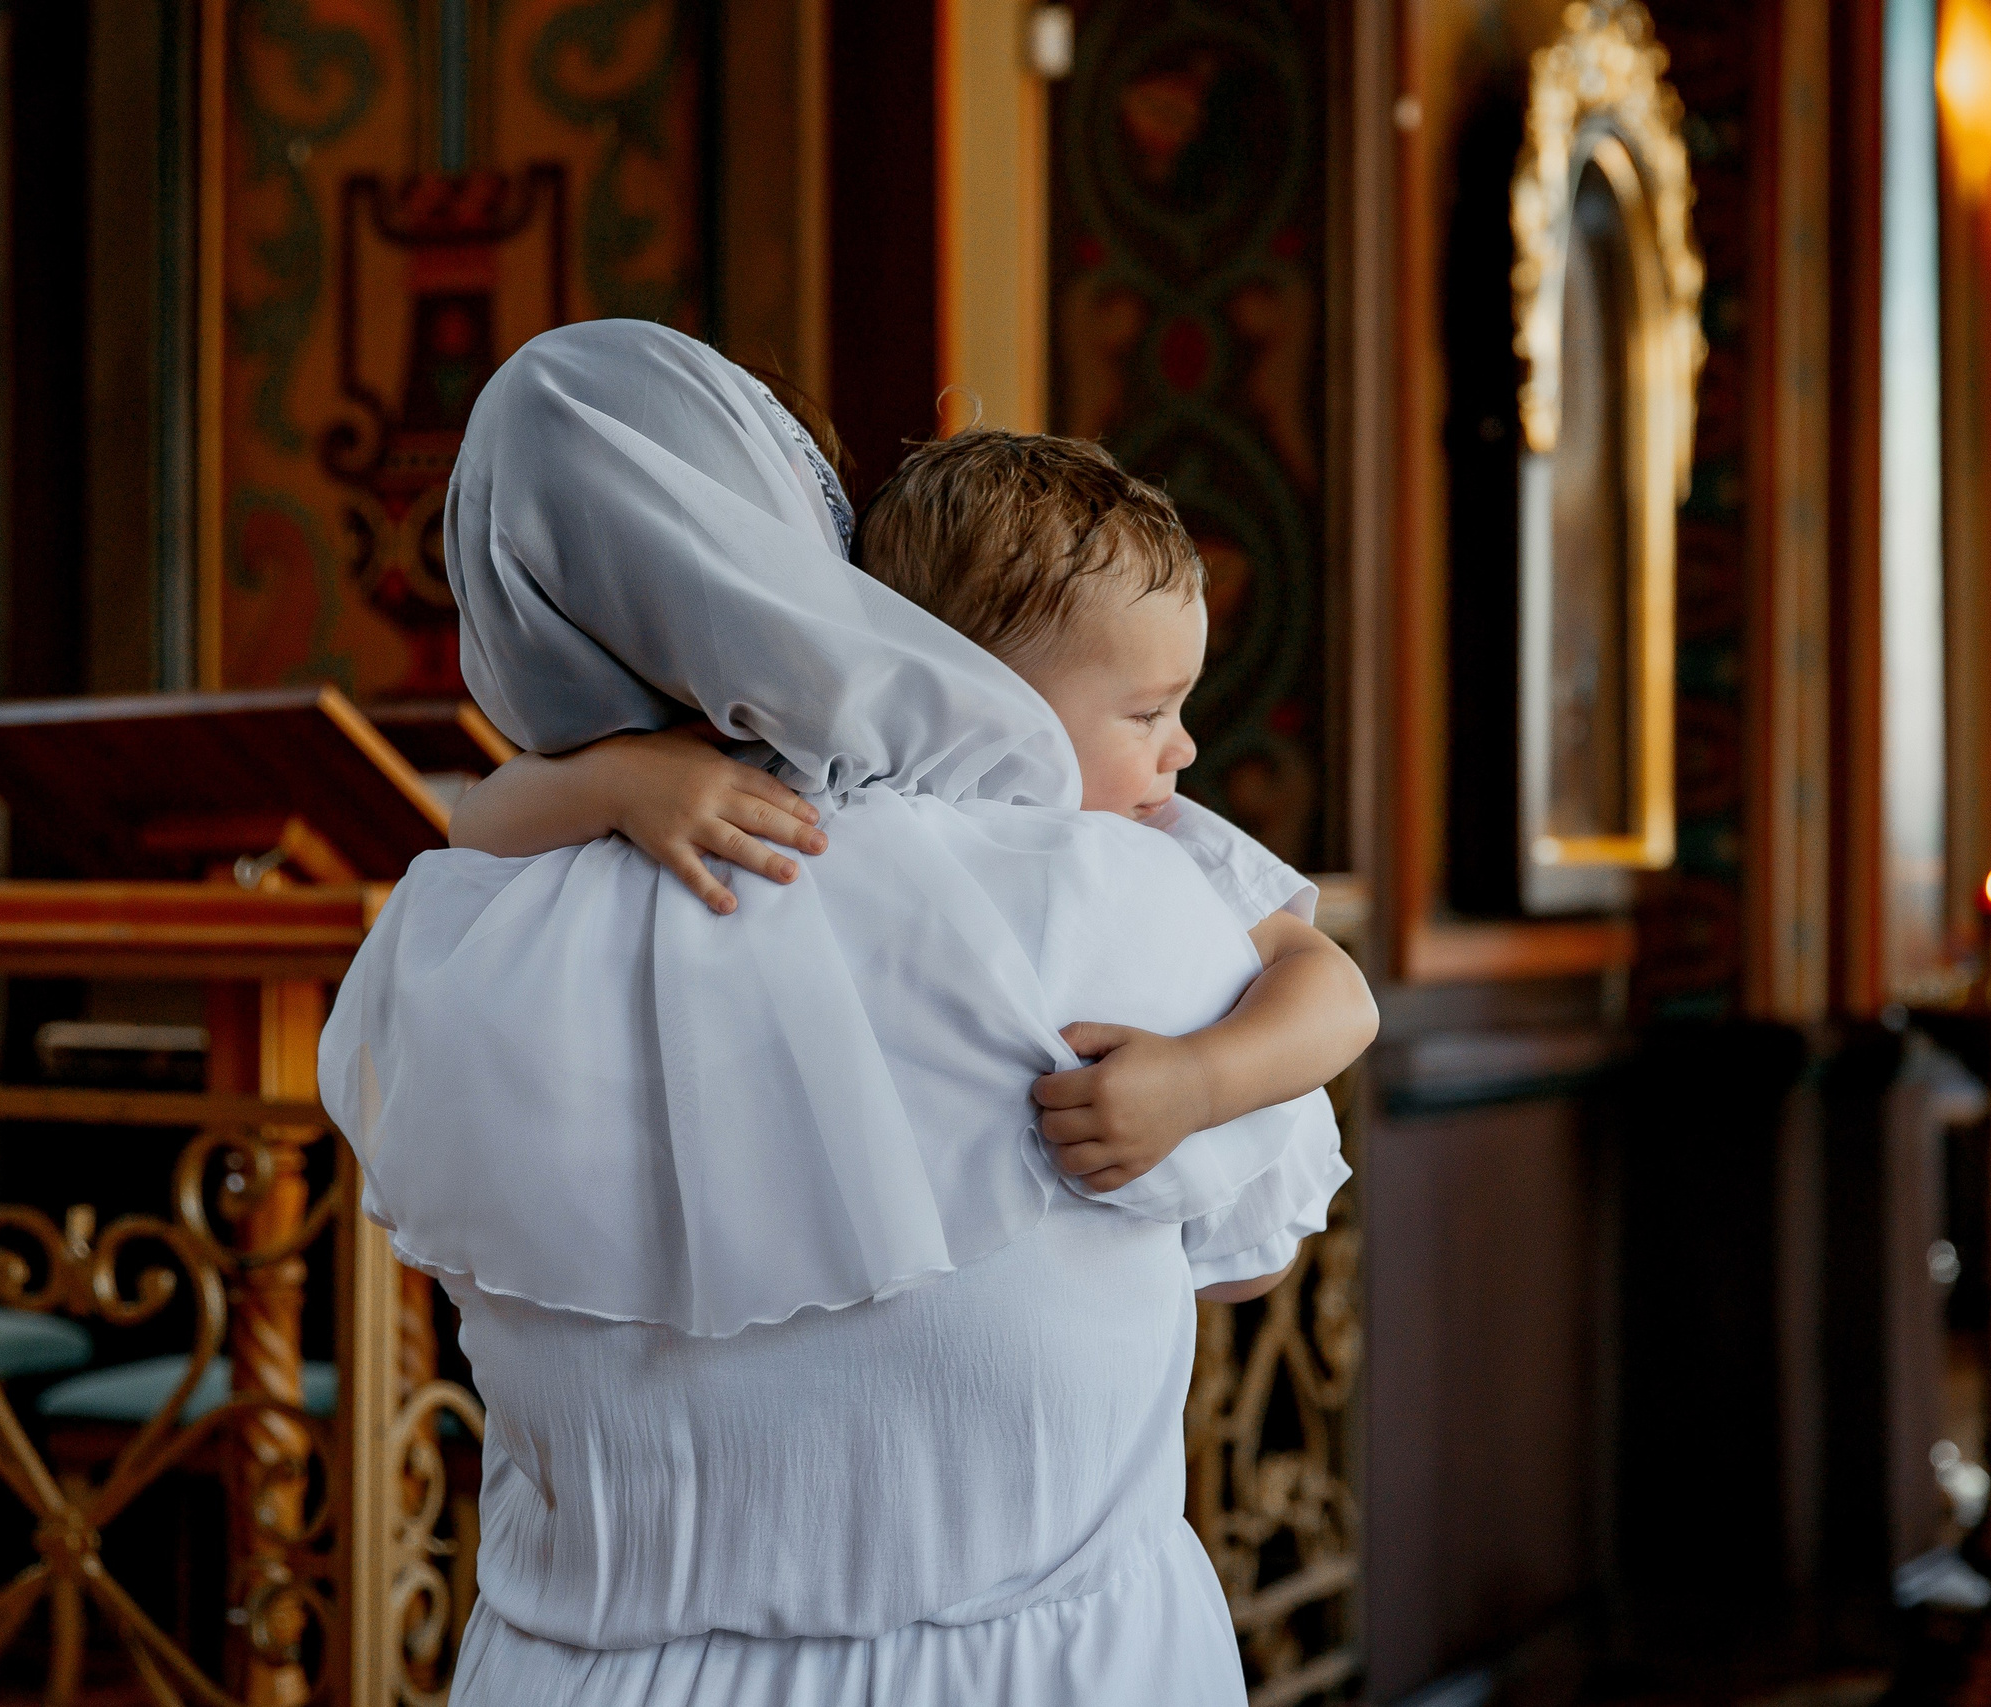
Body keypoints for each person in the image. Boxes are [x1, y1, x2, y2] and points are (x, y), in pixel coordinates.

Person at [318, 319, 1366, 1705]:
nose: (1173, 749)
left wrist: (607, 783)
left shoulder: (449, 935)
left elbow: (484, 824)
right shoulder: (1112, 894)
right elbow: (1243, 1257)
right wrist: (1191, 1085)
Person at [449, 428, 1373, 1206]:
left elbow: (1336, 993)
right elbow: (476, 827)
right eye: (1146, 713)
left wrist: (1201, 1081)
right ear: (981, 691)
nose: (1184, 750)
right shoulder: (815, 774)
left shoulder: (1161, 831)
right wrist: (620, 781)